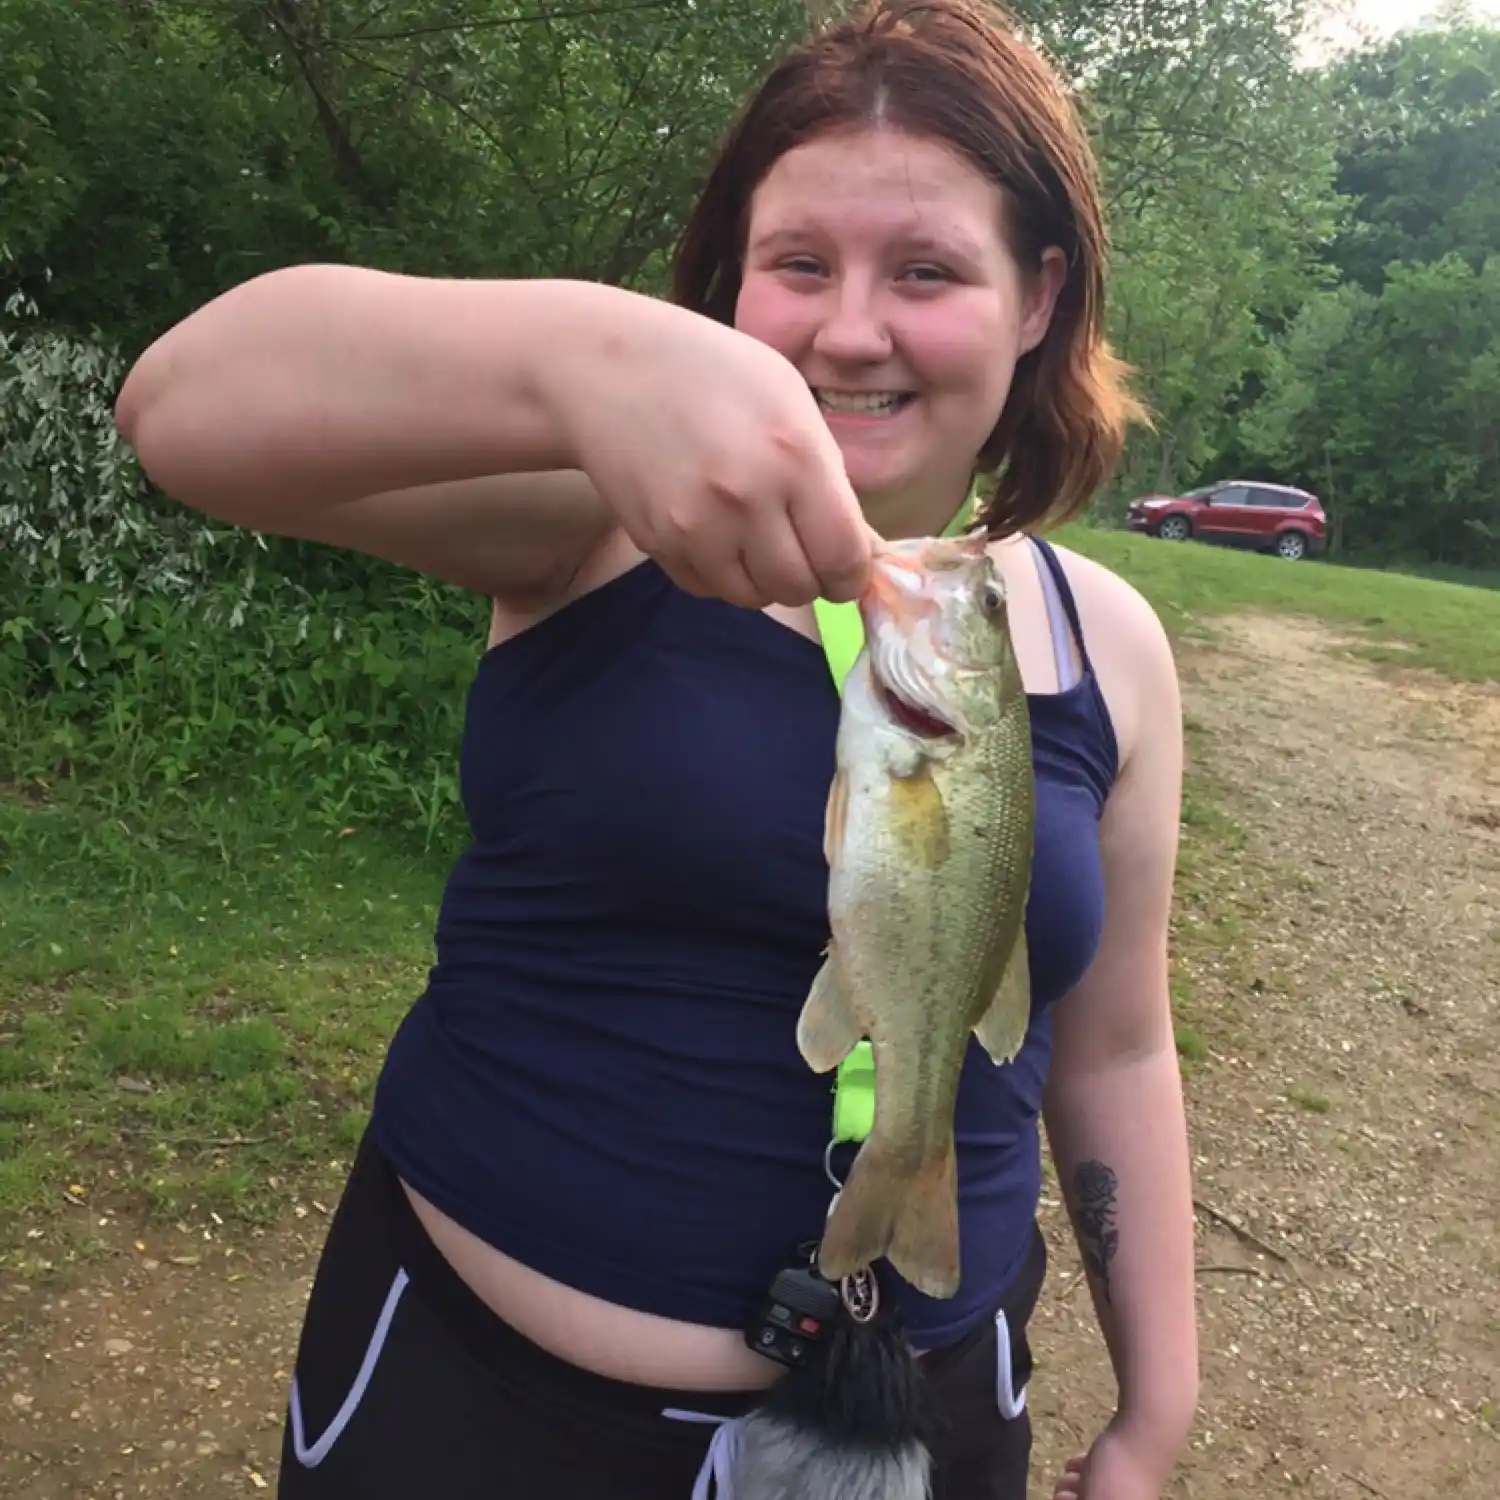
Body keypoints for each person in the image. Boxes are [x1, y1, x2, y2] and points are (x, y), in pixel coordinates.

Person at [113, 2, 1199, 1496]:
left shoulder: (1109, 646)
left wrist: (1159, 1403)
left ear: (1038, 296)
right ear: (728, 284)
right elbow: (180, 411)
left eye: (928, 270)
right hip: (470, 1414)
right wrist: (577, 358)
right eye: (798, 264)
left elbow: (1120, 1043)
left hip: (914, 1423)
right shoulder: (591, 524)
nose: (851, 326)